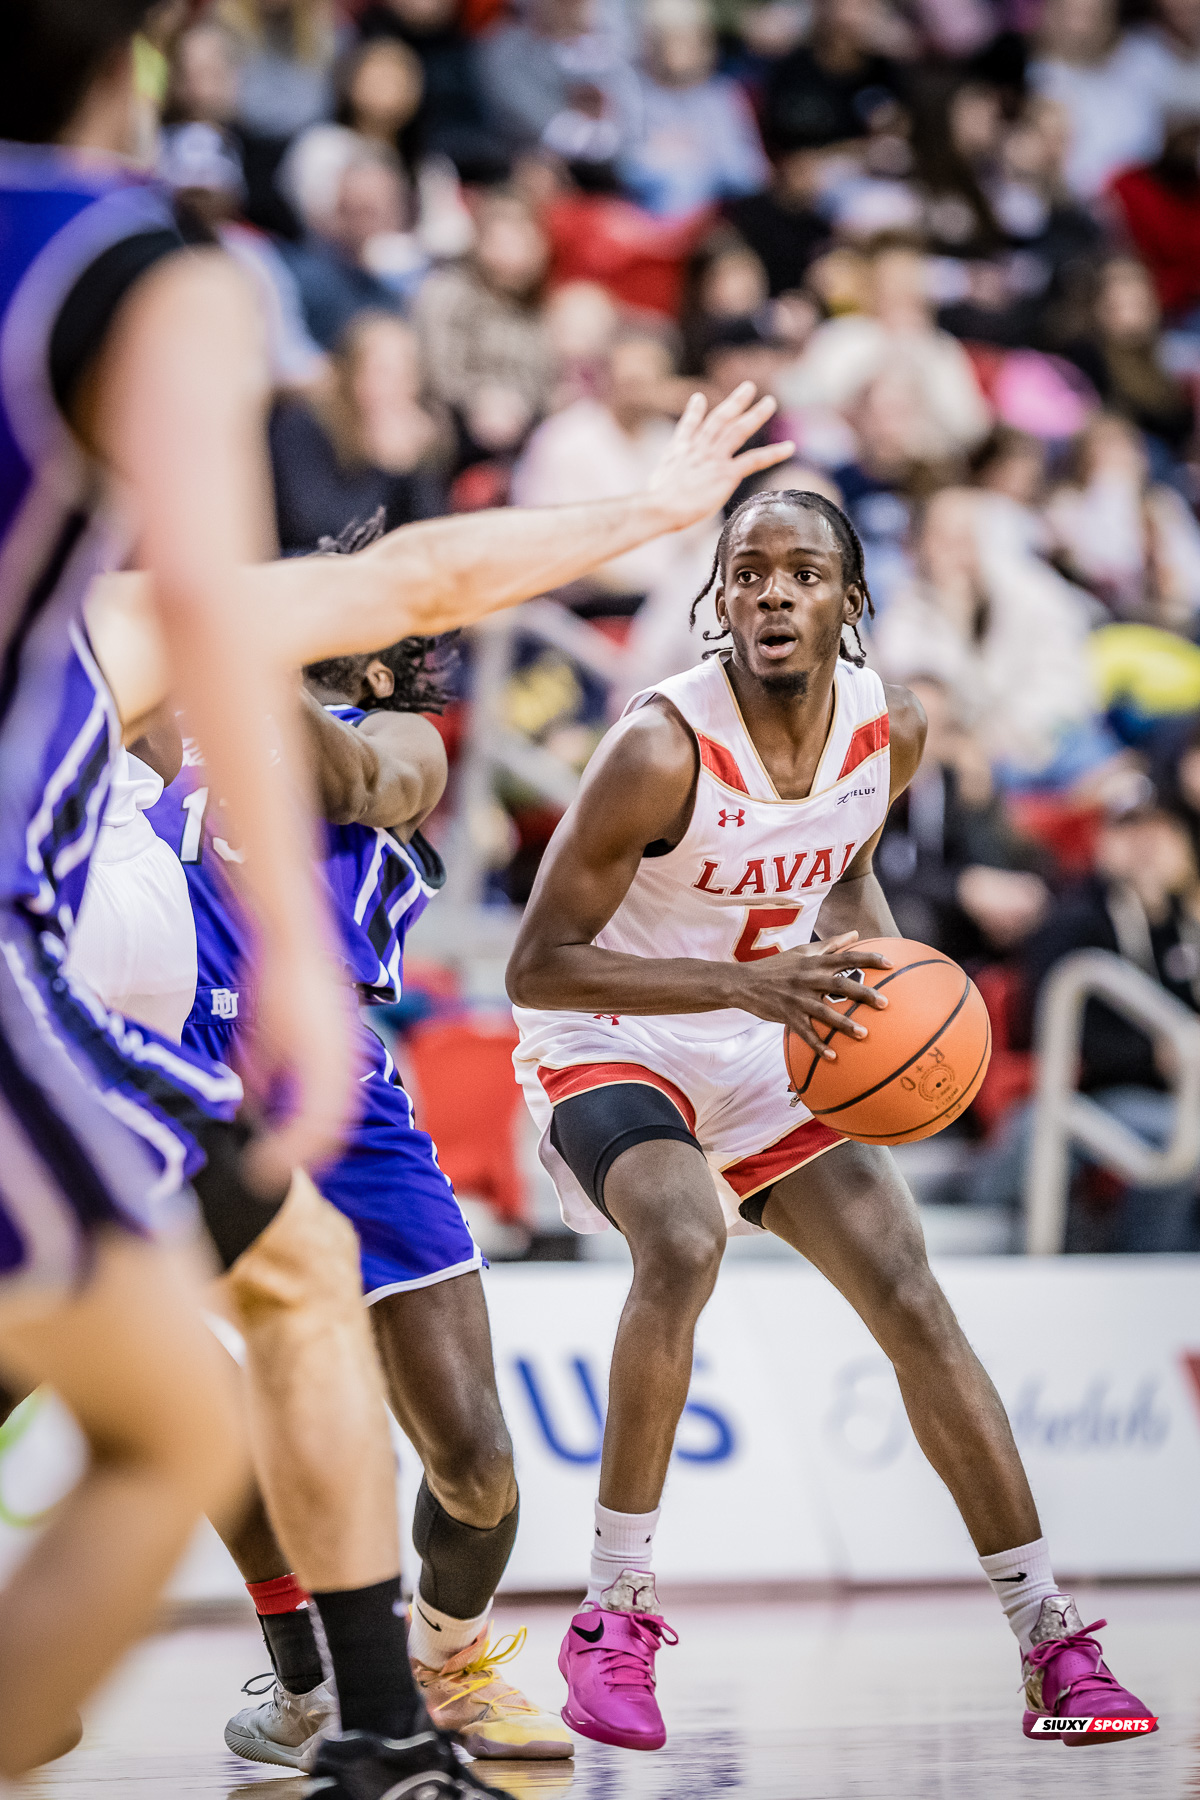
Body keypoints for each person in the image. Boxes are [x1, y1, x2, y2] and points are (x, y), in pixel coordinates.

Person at [505, 486, 1155, 1752]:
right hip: (617, 1032)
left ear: (849, 600)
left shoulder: (890, 729)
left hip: (769, 1030)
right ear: (721, 599)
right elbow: (538, 965)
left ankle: (1052, 1642)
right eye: (748, 573)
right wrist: (744, 985)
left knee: (911, 1292)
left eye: (801, 574)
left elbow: (844, 871)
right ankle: (613, 1614)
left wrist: (890, 999)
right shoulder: (660, 748)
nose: (772, 594)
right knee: (682, 1238)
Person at [139, 576, 569, 1767]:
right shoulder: (157, 718)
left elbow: (362, 785)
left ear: (375, 663)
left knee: (475, 1465)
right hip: (154, 1074)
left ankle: (443, 1668)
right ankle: (310, 1685)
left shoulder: (396, 739)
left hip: (332, 1098)